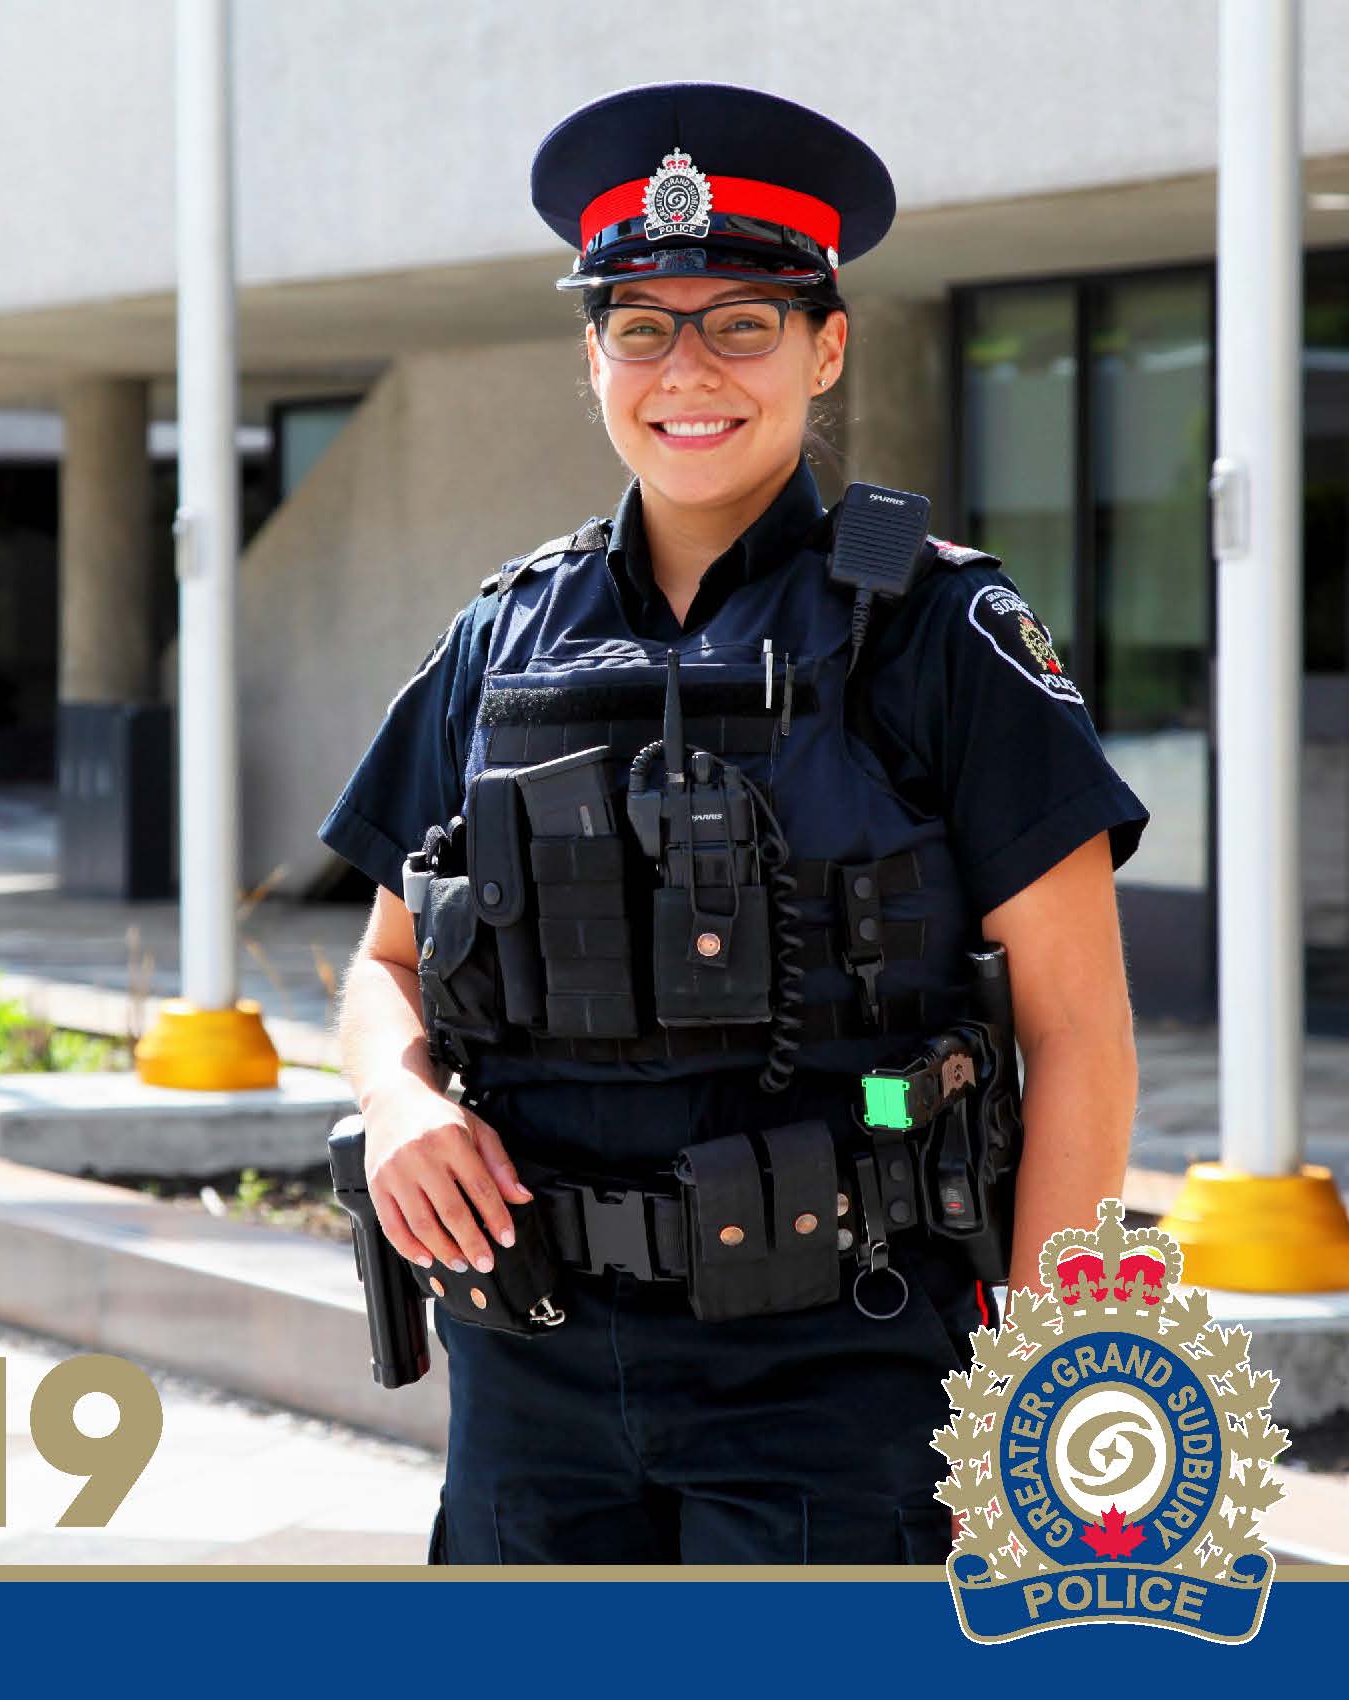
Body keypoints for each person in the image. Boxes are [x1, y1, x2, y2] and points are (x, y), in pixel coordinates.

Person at [319, 82, 1148, 1565]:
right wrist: (400, 1103)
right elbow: (381, 966)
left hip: (842, 1370)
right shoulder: (504, 636)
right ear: (593, 360)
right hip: (537, 1364)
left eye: (740, 323)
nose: (686, 369)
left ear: (823, 348)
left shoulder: (942, 627)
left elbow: (1080, 1033)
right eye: (641, 324)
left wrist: (1043, 1384)